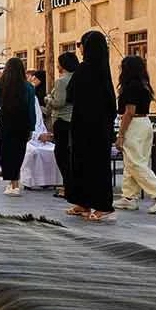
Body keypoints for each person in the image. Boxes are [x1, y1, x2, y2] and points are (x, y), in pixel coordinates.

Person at [113, 56, 156, 214]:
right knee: (133, 161)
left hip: (134, 124)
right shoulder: (143, 85)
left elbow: (129, 112)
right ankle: (129, 197)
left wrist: (121, 134)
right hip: (144, 124)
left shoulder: (131, 86)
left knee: (135, 163)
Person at [66, 31, 117, 223]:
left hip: (87, 127)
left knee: (90, 166)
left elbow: (70, 94)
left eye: (81, 44)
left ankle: (103, 206)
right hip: (97, 127)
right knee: (89, 165)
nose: (79, 48)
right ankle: (84, 203)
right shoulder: (102, 70)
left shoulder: (85, 69)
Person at [0, 57, 36, 197]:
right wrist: (31, 127)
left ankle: (12, 183)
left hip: (6, 122)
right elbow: (31, 109)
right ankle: (15, 182)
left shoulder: (1, 84)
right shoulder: (28, 86)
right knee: (19, 152)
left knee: (7, 152)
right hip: (22, 123)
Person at [46, 53, 78, 198]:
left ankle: (68, 186)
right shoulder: (78, 78)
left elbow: (59, 102)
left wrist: (48, 99)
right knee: (72, 156)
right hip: (75, 120)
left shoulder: (61, 81)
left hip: (62, 120)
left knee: (61, 155)